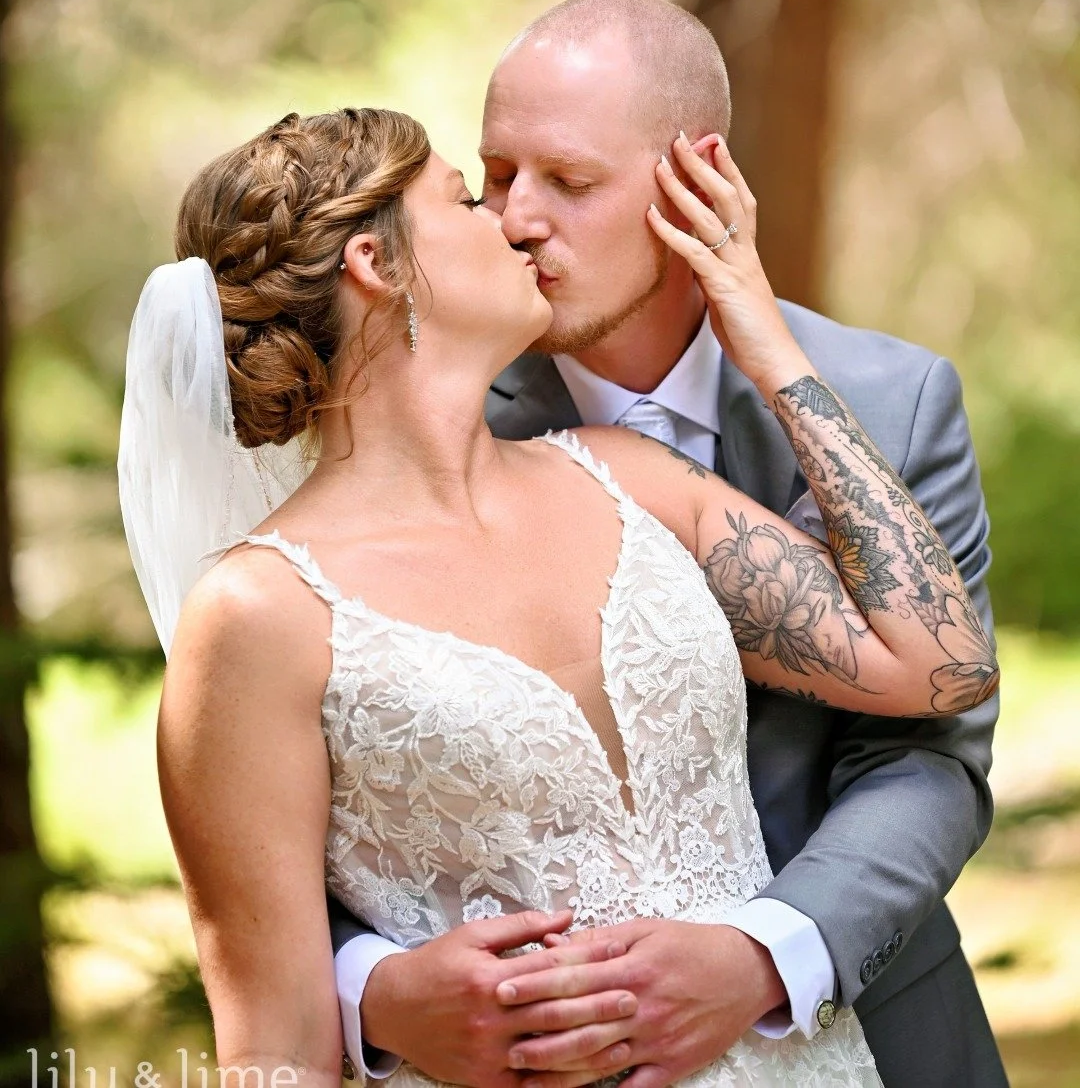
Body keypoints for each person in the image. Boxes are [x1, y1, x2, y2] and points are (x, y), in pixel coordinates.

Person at [120, 99, 997, 1088]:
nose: (511, 224)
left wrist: (766, 342)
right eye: (464, 198)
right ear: (379, 263)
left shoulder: (633, 479)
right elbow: (274, 1053)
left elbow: (943, 667)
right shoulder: (257, 614)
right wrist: (388, 998)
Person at [328, 0, 1006, 1088]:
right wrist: (378, 988)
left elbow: (933, 750)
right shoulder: (419, 421)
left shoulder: (895, 399)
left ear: (696, 178)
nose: (516, 218)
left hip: (876, 1035)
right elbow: (299, 774)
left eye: (571, 181)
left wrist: (764, 954)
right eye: (495, 176)